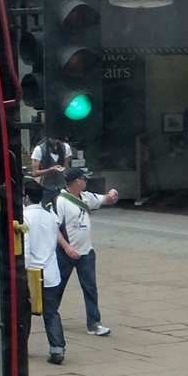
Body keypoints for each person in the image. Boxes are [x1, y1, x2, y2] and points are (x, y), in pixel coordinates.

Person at [54, 167, 119, 337]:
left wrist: (112, 196)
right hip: (65, 253)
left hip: (86, 253)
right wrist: (67, 247)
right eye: (84, 178)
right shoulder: (61, 201)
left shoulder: (87, 197)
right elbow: (54, 229)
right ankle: (50, 313)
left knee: (90, 288)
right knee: (57, 286)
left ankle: (94, 323)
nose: (86, 181)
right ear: (77, 181)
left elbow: (105, 200)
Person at [23, 179, 65, 364]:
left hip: (32, 272)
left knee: (23, 312)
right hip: (51, 272)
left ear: (26, 196)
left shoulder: (24, 217)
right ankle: (57, 349)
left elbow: (25, 248)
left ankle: (21, 347)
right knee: (51, 312)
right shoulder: (50, 216)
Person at [30, 134, 72, 209]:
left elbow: (66, 167)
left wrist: (63, 175)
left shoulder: (65, 148)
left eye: (57, 139)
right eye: (53, 138)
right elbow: (35, 173)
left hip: (61, 187)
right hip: (46, 188)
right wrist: (50, 170)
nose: (55, 141)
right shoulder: (39, 149)